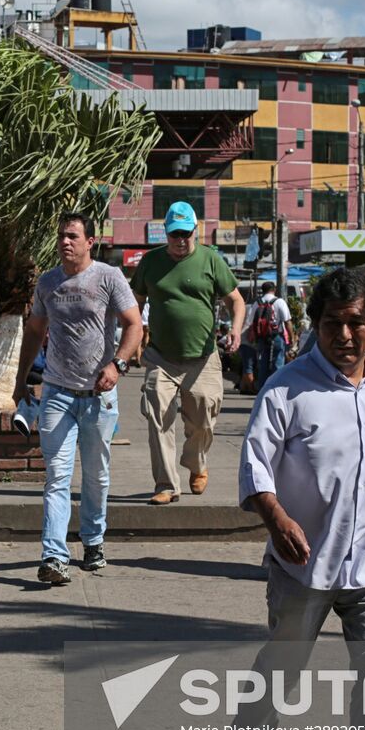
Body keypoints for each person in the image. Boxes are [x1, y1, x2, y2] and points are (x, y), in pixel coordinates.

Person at [232, 265, 365, 730]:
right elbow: (254, 465)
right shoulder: (286, 387)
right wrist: (277, 517)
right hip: (303, 563)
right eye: (333, 323)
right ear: (316, 326)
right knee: (285, 667)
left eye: (356, 323)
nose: (344, 335)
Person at [12, 213, 142, 585]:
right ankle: (54, 557)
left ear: (90, 242)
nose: (65, 242)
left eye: (72, 236)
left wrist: (116, 365)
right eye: (61, 236)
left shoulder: (108, 277)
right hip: (57, 393)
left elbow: (134, 324)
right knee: (56, 476)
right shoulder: (49, 282)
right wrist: (22, 380)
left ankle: (94, 540)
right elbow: (35, 329)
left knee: (96, 476)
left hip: (99, 396)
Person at [130, 201, 245, 504]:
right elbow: (136, 302)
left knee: (204, 417)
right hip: (161, 356)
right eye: (174, 235)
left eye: (185, 234)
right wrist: (133, 336)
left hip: (203, 357)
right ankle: (166, 484)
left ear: (196, 230)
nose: (180, 241)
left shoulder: (211, 260)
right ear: (165, 234)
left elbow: (236, 300)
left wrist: (236, 329)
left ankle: (197, 464)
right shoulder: (151, 262)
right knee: (156, 412)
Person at [248, 280, 292, 392]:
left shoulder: (257, 303)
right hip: (276, 337)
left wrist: (252, 338)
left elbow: (250, 322)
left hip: (262, 338)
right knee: (278, 363)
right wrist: (291, 337)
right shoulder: (279, 302)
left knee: (263, 364)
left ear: (262, 290)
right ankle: (277, 390)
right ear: (274, 289)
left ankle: (263, 390)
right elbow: (287, 321)